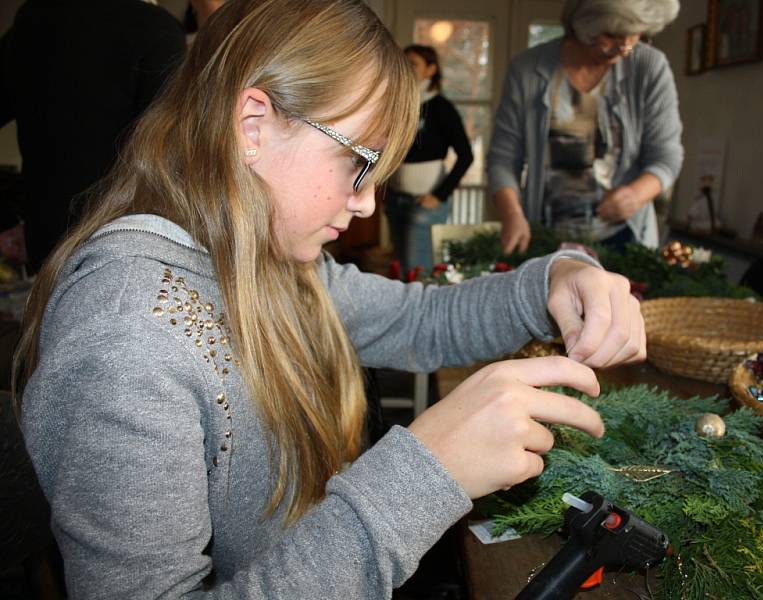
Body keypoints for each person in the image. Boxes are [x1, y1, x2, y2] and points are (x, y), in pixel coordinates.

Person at [13, 1, 645, 597]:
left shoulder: (269, 258)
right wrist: (427, 472)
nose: (368, 201)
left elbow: (419, 318)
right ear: (253, 126)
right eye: (358, 162)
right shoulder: (128, 338)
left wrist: (554, 278)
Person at [0, 0, 187, 272]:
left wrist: (4, 221)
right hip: (129, 250)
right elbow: (172, 160)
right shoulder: (153, 29)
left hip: (51, 246)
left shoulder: (33, 19)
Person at [488, 0, 684, 254]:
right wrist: (513, 215)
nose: (625, 47)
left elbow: (667, 156)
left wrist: (636, 195)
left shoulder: (649, 67)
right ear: (584, 25)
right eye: (611, 35)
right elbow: (503, 158)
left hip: (624, 238)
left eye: (635, 35)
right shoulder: (526, 69)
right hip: (545, 238)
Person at [384, 44, 473, 273]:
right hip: (395, 200)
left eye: (413, 64)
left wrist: (439, 195)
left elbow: (466, 156)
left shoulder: (442, 108)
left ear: (431, 69)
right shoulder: (398, 106)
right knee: (400, 270)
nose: (406, 68)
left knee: (418, 272)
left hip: (425, 205)